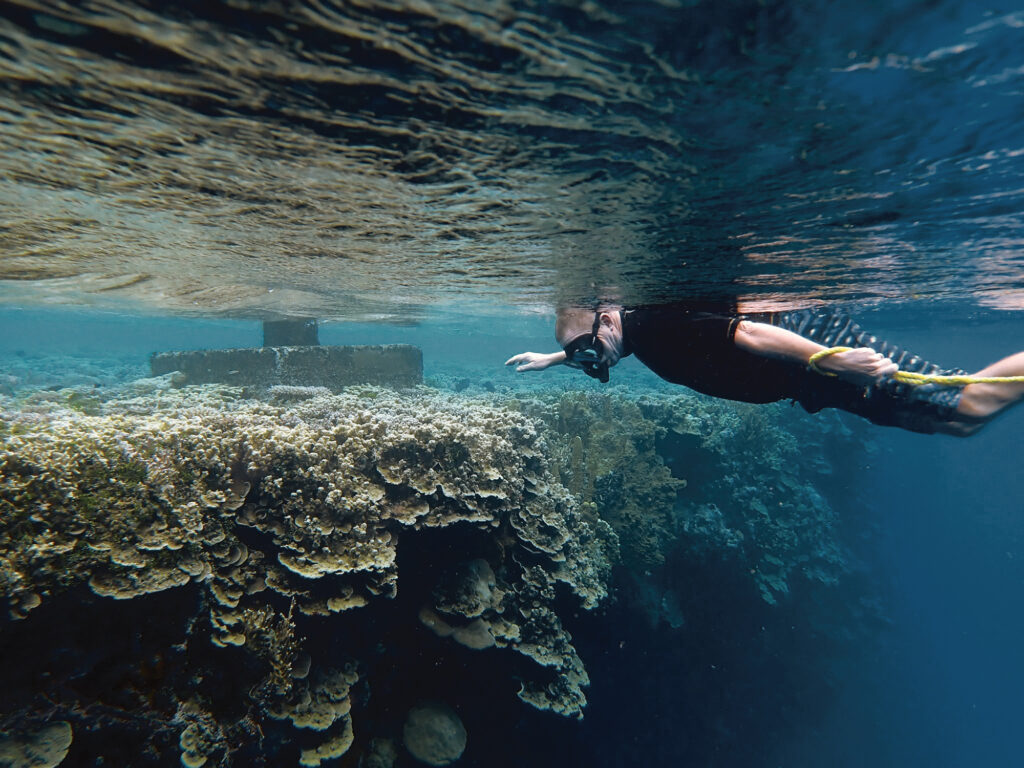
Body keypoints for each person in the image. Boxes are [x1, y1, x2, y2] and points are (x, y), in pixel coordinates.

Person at [505, 303, 1024, 436]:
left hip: (818, 356)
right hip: (812, 380)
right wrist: (554, 357)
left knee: (968, 405)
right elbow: (614, 347)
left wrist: (834, 359)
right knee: (956, 422)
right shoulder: (632, 333)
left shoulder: (654, 323)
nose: (594, 361)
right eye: (582, 357)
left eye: (589, 348)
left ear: (608, 316)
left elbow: (745, 332)